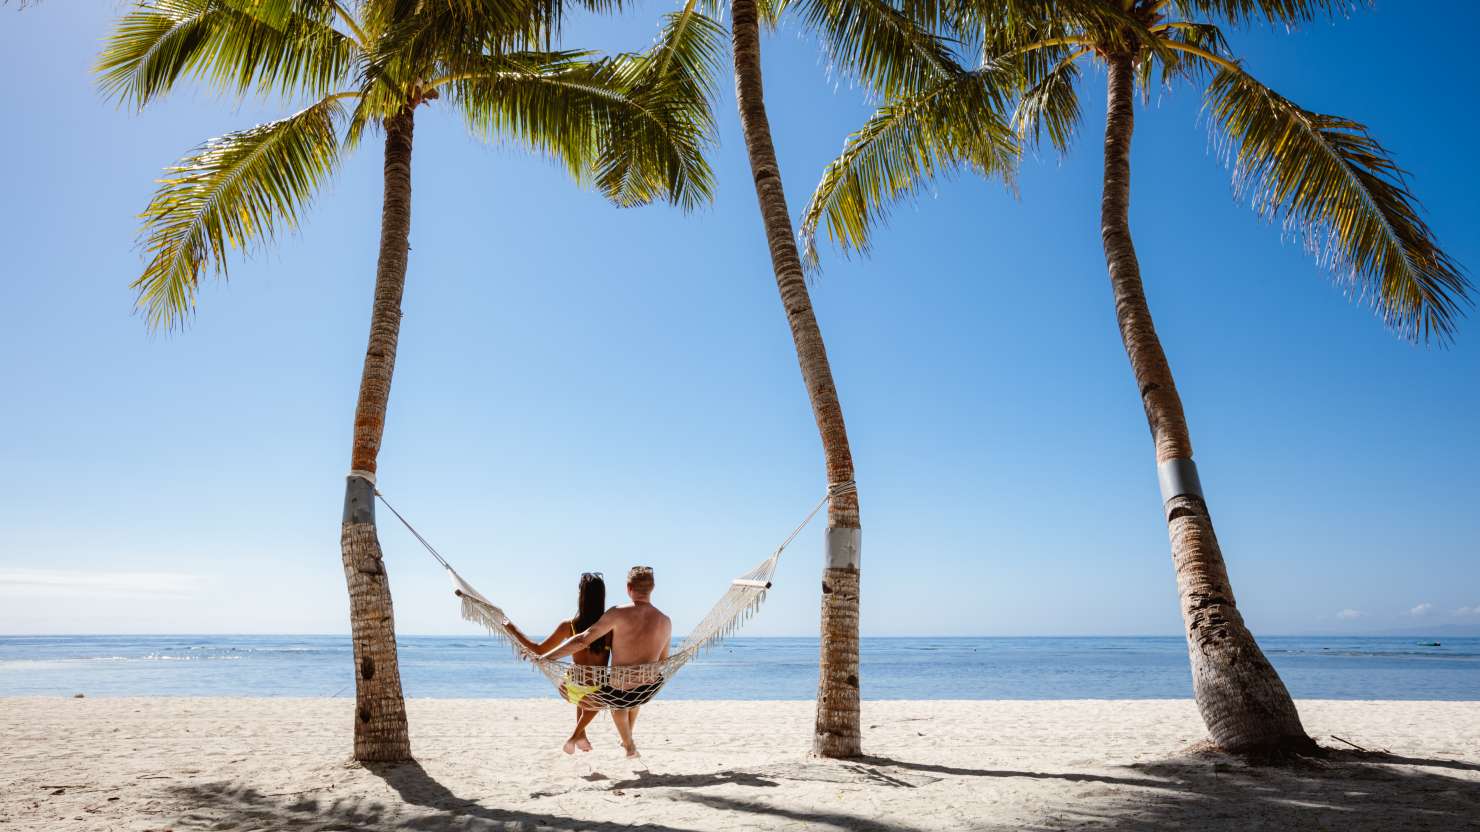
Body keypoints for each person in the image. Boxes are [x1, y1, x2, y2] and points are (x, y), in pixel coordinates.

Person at [542, 565, 672, 758]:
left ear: (629, 588)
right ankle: (625, 739)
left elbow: (583, 639)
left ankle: (628, 745)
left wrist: (547, 657)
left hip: (620, 690)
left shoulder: (617, 613)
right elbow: (663, 660)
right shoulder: (665, 621)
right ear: (652, 588)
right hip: (648, 689)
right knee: (632, 696)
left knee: (611, 699)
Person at [504, 572, 611, 754]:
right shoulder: (610, 628)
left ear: (581, 596)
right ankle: (575, 735)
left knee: (586, 691)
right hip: (595, 693)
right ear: (602, 598)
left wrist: (512, 628)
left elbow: (538, 649)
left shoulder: (567, 626)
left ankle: (581, 735)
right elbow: (624, 658)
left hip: (569, 688)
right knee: (603, 694)